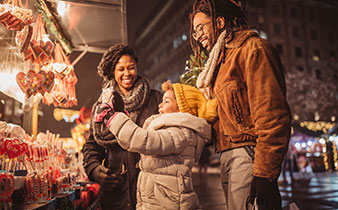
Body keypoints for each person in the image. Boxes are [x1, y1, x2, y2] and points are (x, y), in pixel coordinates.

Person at [190, 0, 292, 210]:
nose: (197, 35)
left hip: (248, 154)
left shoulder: (253, 49)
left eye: (201, 27)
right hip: (227, 155)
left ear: (219, 21)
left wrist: (265, 175)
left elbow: (272, 115)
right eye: (194, 32)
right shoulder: (219, 63)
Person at [93, 80, 218, 210]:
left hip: (169, 202)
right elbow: (133, 141)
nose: (160, 105)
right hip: (160, 200)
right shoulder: (171, 129)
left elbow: (145, 140)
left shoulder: (181, 133)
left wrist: (111, 118)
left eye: (167, 101)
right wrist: (120, 117)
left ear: (182, 107)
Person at [82, 44, 163, 210]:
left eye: (131, 67)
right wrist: (96, 171)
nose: (127, 73)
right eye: (121, 69)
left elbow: (166, 138)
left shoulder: (155, 99)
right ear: (113, 72)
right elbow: (92, 147)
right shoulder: (102, 106)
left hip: (151, 190)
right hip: (115, 194)